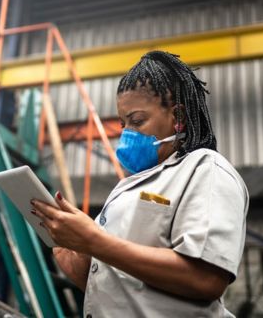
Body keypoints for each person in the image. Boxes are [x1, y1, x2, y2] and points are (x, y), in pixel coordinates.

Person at [31, 51, 249, 317]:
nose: (126, 135)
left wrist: (94, 241)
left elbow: (206, 279)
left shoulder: (206, 170)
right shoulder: (127, 190)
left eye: (137, 121)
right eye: (123, 124)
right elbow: (128, 290)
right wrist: (78, 259)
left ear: (177, 117)